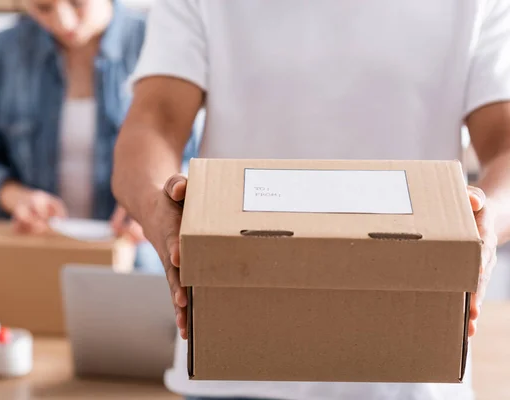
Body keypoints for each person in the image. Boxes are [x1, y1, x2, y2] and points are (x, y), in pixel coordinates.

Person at [112, 1, 510, 399]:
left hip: (411, 373)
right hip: (231, 357)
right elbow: (155, 121)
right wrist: (155, 207)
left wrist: (486, 221)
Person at [0, 0, 199, 273]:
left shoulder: (159, 41)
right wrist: (15, 197)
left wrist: (154, 201)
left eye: (77, 3)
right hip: (36, 259)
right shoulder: (5, 51)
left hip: (139, 262)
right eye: (43, 8)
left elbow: (196, 162)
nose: (64, 22)